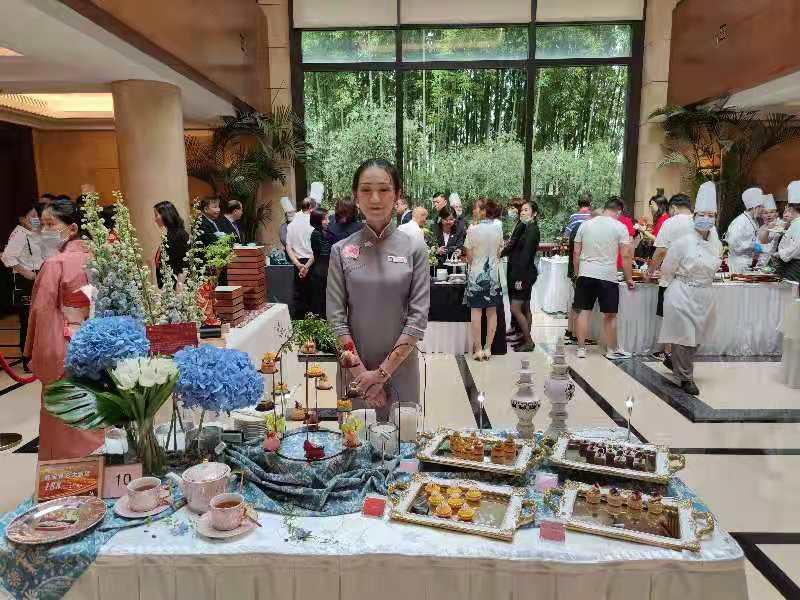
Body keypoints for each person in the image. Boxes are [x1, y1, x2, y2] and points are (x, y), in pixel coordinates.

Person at [327, 159, 429, 416]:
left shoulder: (414, 248)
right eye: (366, 190)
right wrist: (362, 376)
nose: (375, 198)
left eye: (384, 189)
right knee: (355, 435)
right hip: (354, 371)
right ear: (355, 196)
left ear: (397, 194)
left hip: (401, 369)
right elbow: (336, 320)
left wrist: (381, 375)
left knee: (402, 436)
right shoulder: (341, 251)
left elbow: (417, 320)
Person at [25, 199, 105, 459]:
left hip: (65, 342)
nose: (44, 230)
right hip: (100, 339)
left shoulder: (55, 263)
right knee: (96, 405)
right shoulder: (99, 257)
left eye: (50, 224)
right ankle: (101, 463)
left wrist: (40, 356)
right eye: (43, 224)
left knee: (65, 414)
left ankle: (70, 471)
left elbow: (43, 311)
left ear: (72, 228)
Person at [657, 182, 722, 396]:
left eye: (710, 215)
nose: (706, 219)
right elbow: (667, 269)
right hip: (682, 293)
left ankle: (676, 361)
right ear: (694, 216)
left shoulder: (716, 243)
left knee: (697, 337)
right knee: (684, 336)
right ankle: (686, 378)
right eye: (702, 214)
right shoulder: (683, 242)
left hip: (705, 295)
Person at [573, 198, 634, 360]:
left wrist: (577, 273)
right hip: (607, 276)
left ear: (605, 208)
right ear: (619, 211)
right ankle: (611, 350)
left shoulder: (585, 225)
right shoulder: (620, 227)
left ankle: (581, 349)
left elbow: (576, 252)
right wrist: (629, 278)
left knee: (584, 312)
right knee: (610, 315)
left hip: (586, 273)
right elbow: (626, 256)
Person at [2, 202, 44, 371]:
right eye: (32, 216)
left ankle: (37, 358)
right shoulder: (19, 233)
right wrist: (26, 273)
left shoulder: (33, 232)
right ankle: (28, 361)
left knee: (37, 321)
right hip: (26, 281)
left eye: (37, 216)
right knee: (27, 321)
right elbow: (7, 257)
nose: (36, 219)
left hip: (37, 277)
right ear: (22, 218)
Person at [464, 198, 504, 361]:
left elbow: (469, 256)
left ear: (483, 211)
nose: (474, 211)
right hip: (494, 275)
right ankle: (488, 348)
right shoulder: (498, 227)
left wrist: (476, 264)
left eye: (476, 208)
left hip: (476, 274)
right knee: (492, 311)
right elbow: (499, 251)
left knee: (476, 311)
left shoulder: (472, 229)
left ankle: (478, 349)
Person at [501, 201, 540, 353]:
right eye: (522, 210)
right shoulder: (526, 227)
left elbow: (526, 256)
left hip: (524, 274)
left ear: (534, 213)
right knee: (525, 307)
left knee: (515, 308)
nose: (522, 212)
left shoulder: (532, 230)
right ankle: (525, 338)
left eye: (526, 210)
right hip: (525, 273)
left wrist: (520, 278)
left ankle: (529, 341)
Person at [286, 197, 315, 318]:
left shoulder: (292, 223)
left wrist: (298, 264)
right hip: (312, 263)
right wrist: (306, 266)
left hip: (298, 263)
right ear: (311, 208)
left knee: (299, 296)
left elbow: (288, 247)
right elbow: (317, 249)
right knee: (313, 297)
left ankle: (298, 323)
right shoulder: (314, 223)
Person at [725, 187, 764, 273]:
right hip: (739, 264)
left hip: (749, 262)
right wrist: (753, 246)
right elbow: (732, 243)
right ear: (754, 207)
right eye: (761, 207)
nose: (762, 210)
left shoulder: (753, 220)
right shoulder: (740, 222)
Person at [153, 201, 190, 289]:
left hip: (176, 286)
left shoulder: (179, 234)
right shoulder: (170, 234)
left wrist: (179, 285)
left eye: (156, 215)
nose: (155, 219)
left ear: (165, 214)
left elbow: (184, 263)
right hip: (168, 285)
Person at [305, 208, 333, 318]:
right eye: (325, 219)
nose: (328, 221)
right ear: (317, 221)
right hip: (321, 273)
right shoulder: (316, 234)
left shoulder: (325, 232)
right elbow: (323, 253)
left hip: (325, 271)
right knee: (320, 304)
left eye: (327, 218)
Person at [772, 180, 800, 281]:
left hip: (795, 266)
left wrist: (780, 254)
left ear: (791, 209)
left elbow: (797, 247)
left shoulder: (798, 224)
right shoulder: (794, 223)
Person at [756, 194, 780, 269]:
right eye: (765, 213)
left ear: (776, 214)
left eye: (772, 212)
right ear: (761, 215)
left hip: (775, 262)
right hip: (760, 262)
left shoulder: (781, 225)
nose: (769, 215)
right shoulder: (761, 227)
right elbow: (760, 244)